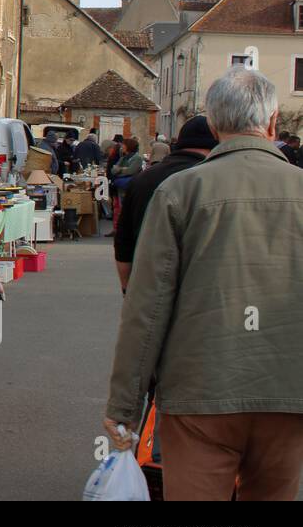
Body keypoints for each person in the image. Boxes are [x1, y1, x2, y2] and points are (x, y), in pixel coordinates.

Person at [104, 68, 303, 500]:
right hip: (288, 390)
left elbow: (146, 307)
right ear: (272, 125)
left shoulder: (180, 192)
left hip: (199, 390)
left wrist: (124, 405)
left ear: (213, 126)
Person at [112, 116, 216, 294]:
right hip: (199, 286)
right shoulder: (213, 178)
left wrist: (127, 288)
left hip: (147, 278)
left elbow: (123, 240)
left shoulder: (143, 179)